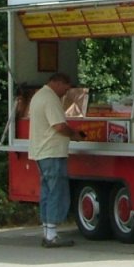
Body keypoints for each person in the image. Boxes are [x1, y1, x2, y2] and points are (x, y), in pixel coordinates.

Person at [28, 72, 85, 248]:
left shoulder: (38, 96)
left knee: (46, 191)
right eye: (65, 89)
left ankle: (47, 231)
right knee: (56, 191)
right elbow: (59, 126)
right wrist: (75, 135)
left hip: (40, 151)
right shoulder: (51, 99)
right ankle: (51, 234)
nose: (65, 93)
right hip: (52, 152)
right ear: (57, 83)